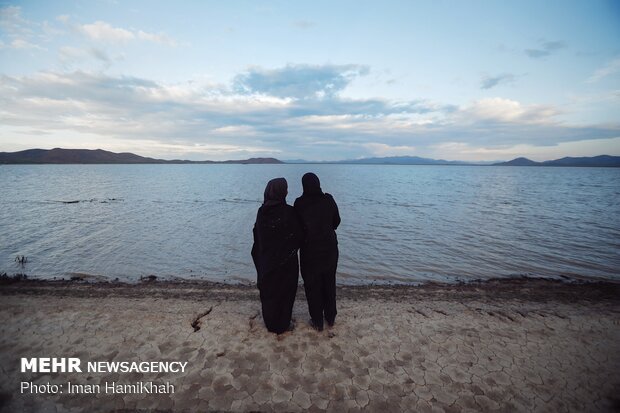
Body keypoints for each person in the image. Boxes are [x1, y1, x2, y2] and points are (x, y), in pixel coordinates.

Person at [251, 178, 303, 334]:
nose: (287, 191)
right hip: (286, 262)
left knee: (269, 291)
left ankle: (271, 323)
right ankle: (283, 323)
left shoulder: (262, 212)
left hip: (267, 260)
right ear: (282, 192)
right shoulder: (290, 211)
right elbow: (299, 235)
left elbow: (258, 237)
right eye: (285, 189)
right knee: (286, 292)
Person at [294, 173, 341, 331]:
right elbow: (337, 221)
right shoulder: (328, 199)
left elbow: (297, 228)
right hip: (330, 248)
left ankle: (317, 320)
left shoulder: (299, 203)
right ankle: (331, 317)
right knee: (329, 282)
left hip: (309, 251)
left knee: (312, 285)